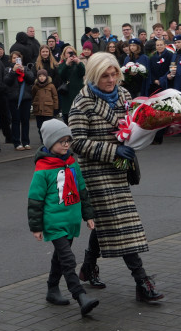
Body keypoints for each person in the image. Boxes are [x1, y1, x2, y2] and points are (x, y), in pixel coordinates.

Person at [68, 52, 163, 302]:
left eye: (114, 75)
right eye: (105, 76)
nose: (111, 80)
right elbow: (76, 142)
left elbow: (133, 126)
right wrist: (112, 149)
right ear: (93, 76)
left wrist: (154, 131)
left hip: (121, 164)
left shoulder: (124, 95)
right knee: (122, 221)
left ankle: (88, 267)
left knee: (108, 219)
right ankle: (142, 281)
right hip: (95, 170)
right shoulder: (82, 102)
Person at [28, 120, 99, 316]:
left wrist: (88, 215)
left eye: (68, 140)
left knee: (60, 258)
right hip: (54, 222)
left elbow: (82, 190)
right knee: (68, 259)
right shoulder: (43, 169)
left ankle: (52, 289)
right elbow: (35, 199)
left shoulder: (72, 163)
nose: (66, 145)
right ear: (50, 143)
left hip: (71, 220)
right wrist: (36, 226)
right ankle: (80, 296)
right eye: (61, 141)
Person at [4, 50, 35, 150]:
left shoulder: (25, 68)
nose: (16, 60)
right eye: (14, 58)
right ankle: (17, 142)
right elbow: (7, 81)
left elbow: (31, 80)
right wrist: (13, 71)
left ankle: (26, 142)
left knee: (25, 120)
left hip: (25, 98)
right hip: (14, 99)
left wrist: (24, 71)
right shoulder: (8, 69)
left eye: (17, 58)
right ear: (11, 59)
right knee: (16, 121)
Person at [56, 45, 86, 117]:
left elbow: (83, 72)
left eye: (72, 53)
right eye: (68, 53)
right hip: (67, 94)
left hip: (77, 93)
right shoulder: (62, 64)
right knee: (67, 116)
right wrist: (67, 64)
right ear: (64, 55)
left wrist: (79, 62)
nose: (71, 54)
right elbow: (61, 75)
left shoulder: (78, 64)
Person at [31, 67, 58, 135]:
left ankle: (49, 141)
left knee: (48, 127)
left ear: (46, 76)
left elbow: (55, 97)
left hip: (48, 109)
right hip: (38, 110)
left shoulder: (51, 86)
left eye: (43, 76)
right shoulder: (35, 86)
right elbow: (33, 96)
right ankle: (42, 140)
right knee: (40, 127)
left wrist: (55, 108)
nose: (41, 77)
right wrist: (34, 104)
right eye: (40, 76)